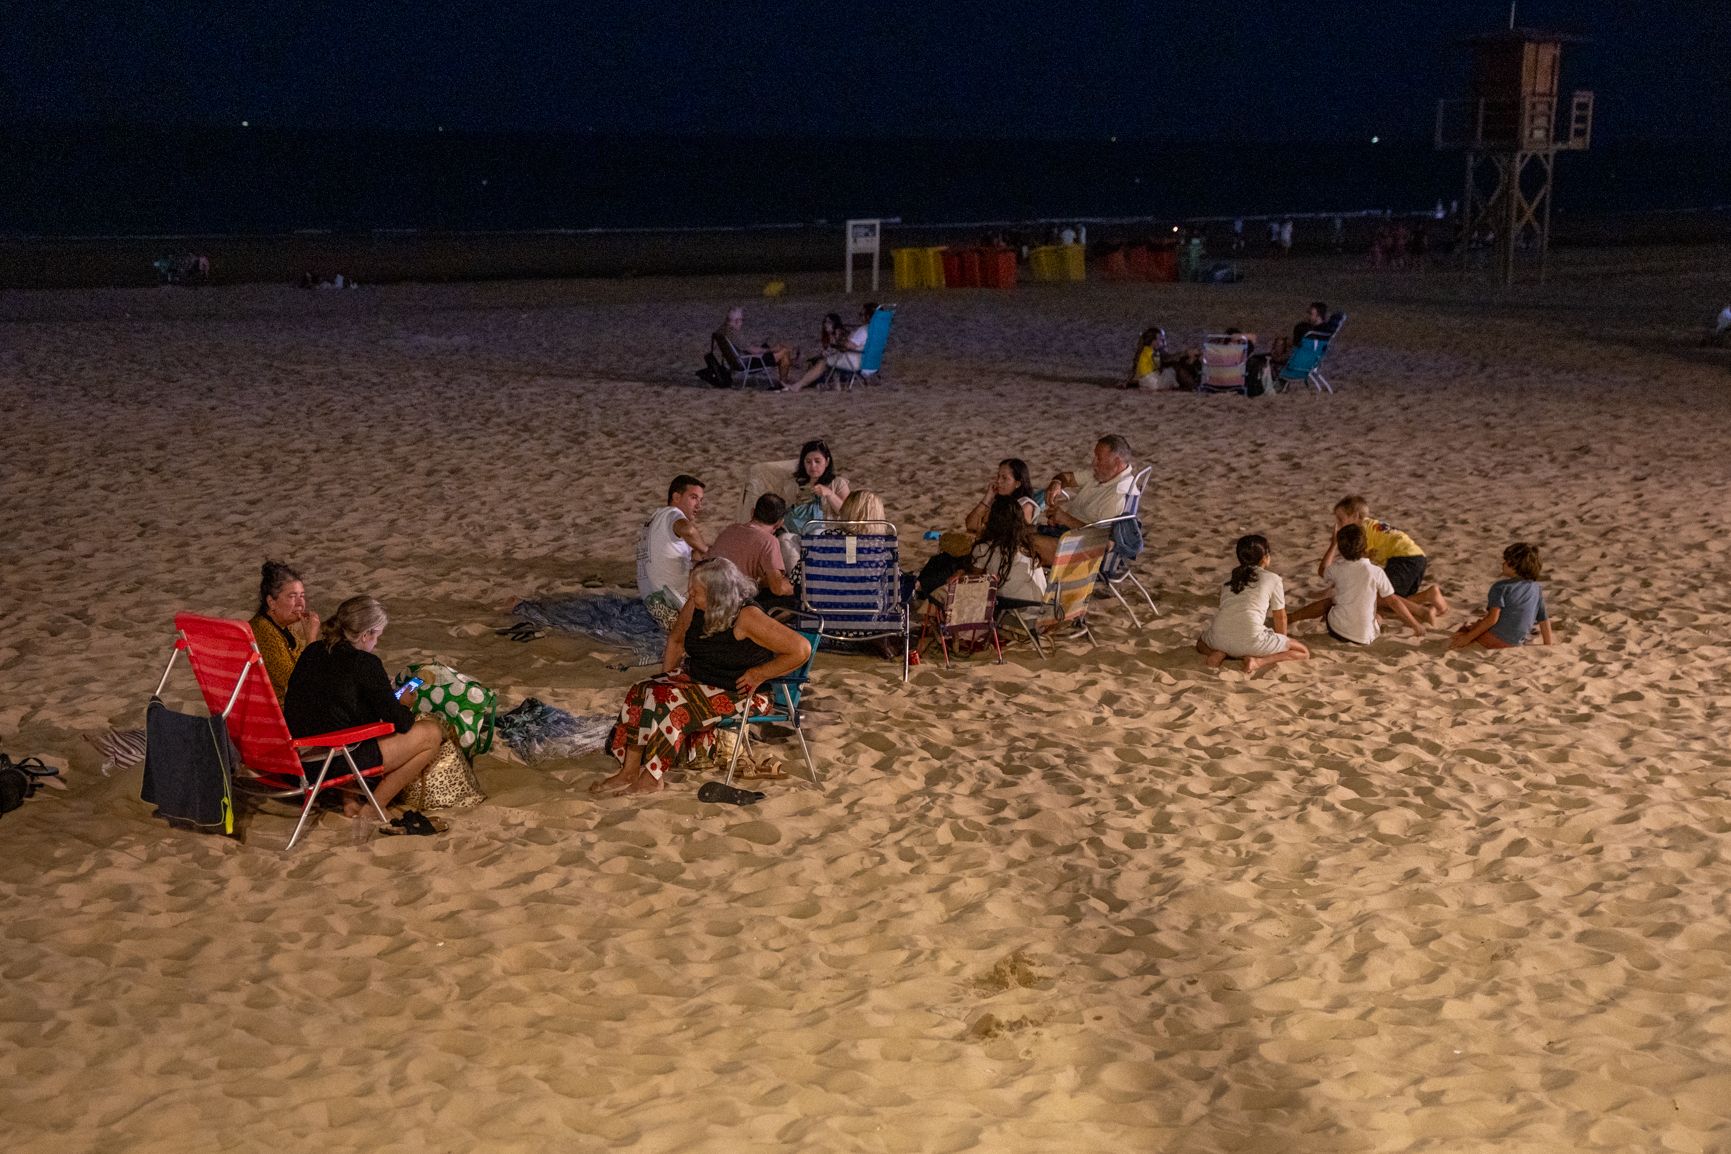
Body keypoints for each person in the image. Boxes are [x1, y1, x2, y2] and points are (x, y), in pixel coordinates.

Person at [594, 559, 811, 796]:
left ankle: (652, 778)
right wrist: (665, 678)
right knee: (642, 690)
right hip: (699, 680)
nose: (690, 594)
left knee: (672, 704)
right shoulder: (695, 606)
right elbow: (676, 641)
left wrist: (759, 673)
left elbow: (800, 649)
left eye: (696, 591)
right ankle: (629, 770)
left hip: (741, 692)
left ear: (717, 595)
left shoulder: (746, 617)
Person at [283, 595, 444, 821]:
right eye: (377, 635)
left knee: (337, 721)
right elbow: (401, 723)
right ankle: (375, 806)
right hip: (329, 763)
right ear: (366, 634)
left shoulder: (313, 652)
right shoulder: (365, 663)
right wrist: (404, 704)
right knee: (431, 734)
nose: (376, 642)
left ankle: (349, 801)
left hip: (295, 759)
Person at [1288, 523, 1426, 644]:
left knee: (1329, 603)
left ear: (1341, 550)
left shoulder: (1338, 569)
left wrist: (1332, 545)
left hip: (1338, 630)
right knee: (1378, 616)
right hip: (1365, 638)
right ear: (1365, 546)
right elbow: (1394, 601)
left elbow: (1322, 570)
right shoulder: (1376, 572)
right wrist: (1415, 625)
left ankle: (1292, 617)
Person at [1321, 495, 1449, 623]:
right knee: (1396, 598)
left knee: (1380, 596)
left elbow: (1357, 567)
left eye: (1340, 519)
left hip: (1403, 558)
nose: (1337, 524)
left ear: (1355, 516)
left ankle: (1423, 611)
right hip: (1417, 556)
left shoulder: (1360, 532)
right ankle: (1430, 595)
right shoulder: (1370, 525)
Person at [1195, 535, 1309, 675]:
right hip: (1253, 641)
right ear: (1265, 557)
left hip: (1220, 639)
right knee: (1303, 651)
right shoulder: (1273, 579)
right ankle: (1258, 662)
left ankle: (1216, 654)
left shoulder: (1229, 579)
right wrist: (1280, 643)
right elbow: (1280, 617)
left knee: (1201, 641)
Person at [1033, 435, 1136, 567]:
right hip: (1067, 535)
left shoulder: (1118, 495)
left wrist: (1065, 519)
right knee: (1014, 531)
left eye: (1099, 458)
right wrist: (1056, 483)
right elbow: (1068, 478)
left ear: (1116, 463)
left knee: (1024, 541)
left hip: (1085, 554)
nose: (1094, 462)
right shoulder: (1103, 475)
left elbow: (1104, 542)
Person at [1449, 543, 1553, 650]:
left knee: (1467, 628)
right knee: (1479, 624)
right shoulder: (1536, 588)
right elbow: (1544, 620)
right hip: (1517, 642)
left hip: (1495, 639)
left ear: (1514, 565)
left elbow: (1492, 619)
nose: (1503, 564)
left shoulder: (1501, 587)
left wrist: (1467, 638)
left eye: (1506, 561)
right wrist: (1548, 646)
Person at [636, 475, 709, 623]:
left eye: (700, 500)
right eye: (694, 498)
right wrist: (707, 550)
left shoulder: (655, 519)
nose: (698, 506)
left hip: (651, 600)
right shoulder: (672, 514)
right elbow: (689, 530)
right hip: (670, 606)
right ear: (676, 496)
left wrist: (697, 553)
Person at [708, 493, 798, 608]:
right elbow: (778, 588)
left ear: (752, 512)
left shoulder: (730, 529)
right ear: (780, 522)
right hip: (733, 604)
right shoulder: (768, 541)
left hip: (710, 595)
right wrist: (800, 587)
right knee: (796, 600)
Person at [250, 560, 321, 703]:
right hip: (283, 713)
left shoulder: (280, 628)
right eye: (292, 596)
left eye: (302, 596)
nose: (301, 604)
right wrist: (311, 638)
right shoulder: (265, 634)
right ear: (272, 602)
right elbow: (300, 684)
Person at [970, 497, 1048, 607]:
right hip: (1043, 611)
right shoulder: (1028, 546)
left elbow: (972, 581)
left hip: (1017, 612)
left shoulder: (985, 548)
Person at [786, 302, 874, 391]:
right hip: (865, 359)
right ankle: (803, 382)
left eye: (861, 314)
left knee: (823, 362)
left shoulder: (863, 330)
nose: (859, 317)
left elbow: (849, 346)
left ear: (867, 316)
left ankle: (798, 385)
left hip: (854, 360)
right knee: (819, 359)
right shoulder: (875, 330)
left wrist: (843, 341)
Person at [714, 307, 793, 384]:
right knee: (784, 352)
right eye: (742, 320)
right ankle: (783, 382)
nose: (742, 323)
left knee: (775, 348)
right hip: (747, 362)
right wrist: (772, 349)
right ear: (737, 321)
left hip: (737, 362)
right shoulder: (734, 334)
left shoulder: (722, 330)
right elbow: (754, 351)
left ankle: (791, 365)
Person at [964, 458, 1039, 535]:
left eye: (1004, 478)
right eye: (998, 476)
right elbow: (970, 525)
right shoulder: (997, 500)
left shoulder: (1025, 505)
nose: (998, 481)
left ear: (1017, 484)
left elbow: (1014, 536)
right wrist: (988, 497)